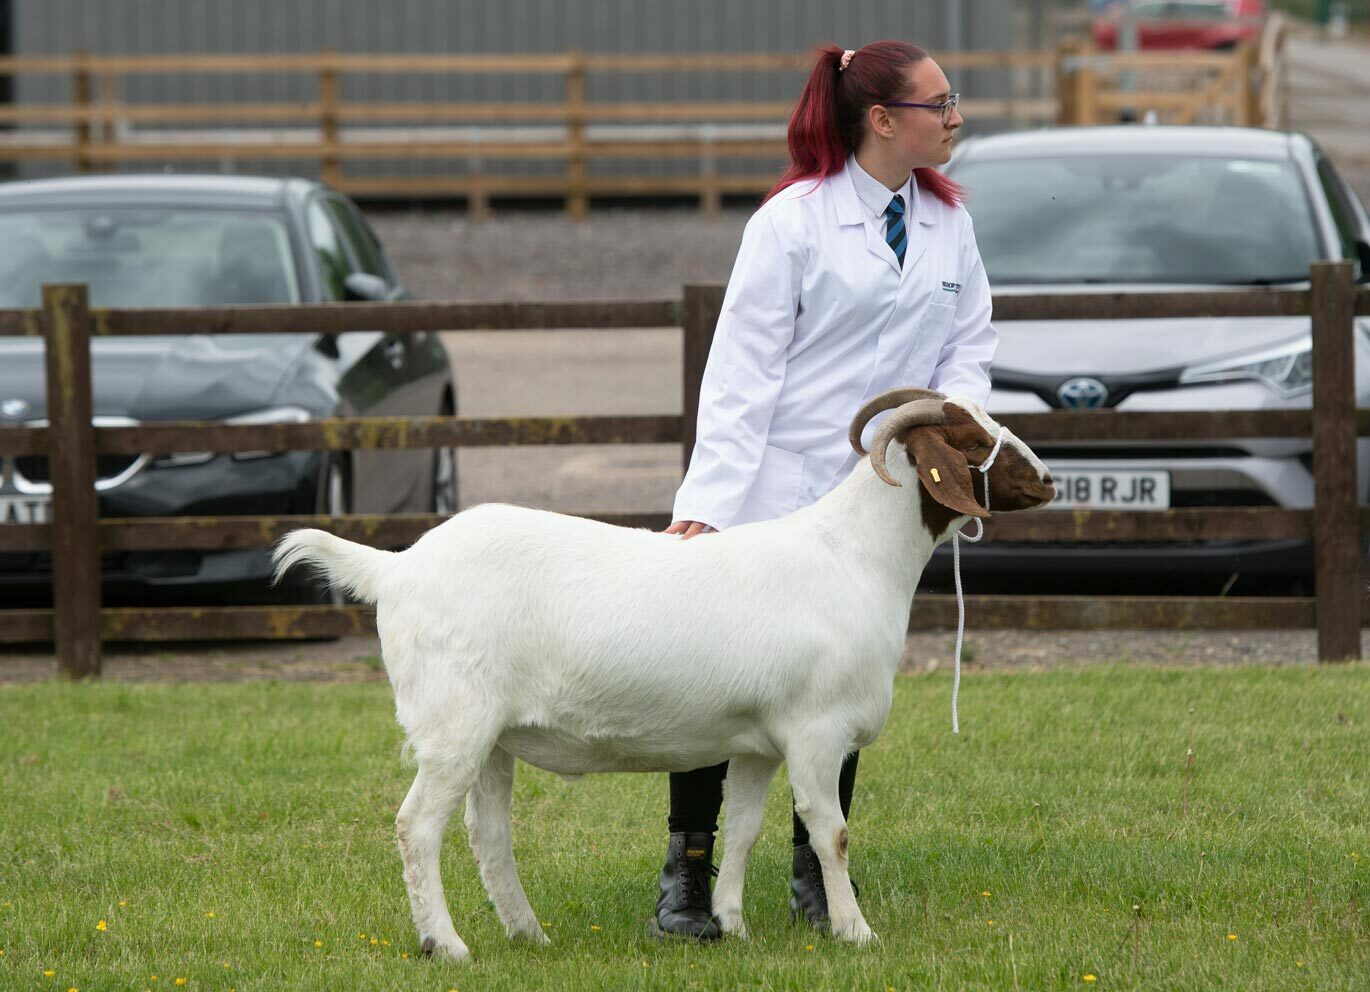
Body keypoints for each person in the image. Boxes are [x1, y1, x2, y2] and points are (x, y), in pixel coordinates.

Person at [652, 40, 997, 939]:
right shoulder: (792, 222)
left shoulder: (947, 223)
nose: (955, 116)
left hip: (875, 506)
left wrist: (954, 423)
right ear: (881, 119)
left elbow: (970, 346)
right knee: (715, 688)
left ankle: (817, 875)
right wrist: (707, 508)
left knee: (838, 687)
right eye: (939, 103)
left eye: (952, 99)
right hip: (774, 494)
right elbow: (741, 373)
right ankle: (686, 875)